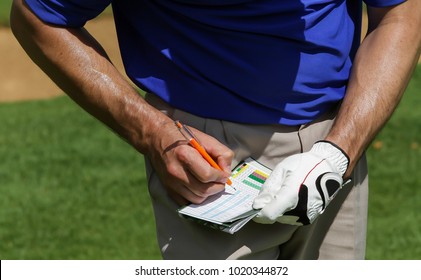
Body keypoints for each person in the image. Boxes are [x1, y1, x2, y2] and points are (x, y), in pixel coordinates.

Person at [10, 0, 421, 260]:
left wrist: (337, 151)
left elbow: (401, 10)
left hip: (340, 144)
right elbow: (39, 17)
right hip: (210, 162)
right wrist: (155, 133)